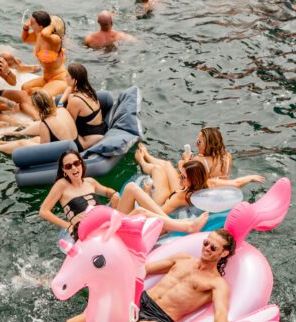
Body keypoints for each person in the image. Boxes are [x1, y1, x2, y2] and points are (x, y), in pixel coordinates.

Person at [66, 228, 237, 322]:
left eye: (213, 247)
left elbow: (221, 311)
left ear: (224, 253)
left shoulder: (217, 284)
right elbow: (144, 269)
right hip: (139, 300)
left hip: (159, 318)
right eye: (206, 243)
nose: (206, 248)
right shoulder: (183, 259)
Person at [39, 150, 209, 234]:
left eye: (76, 163)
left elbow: (107, 191)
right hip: (91, 232)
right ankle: (186, 226)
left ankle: (185, 225)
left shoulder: (89, 182)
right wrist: (68, 226)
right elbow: (44, 211)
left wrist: (112, 195)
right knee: (141, 210)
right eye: (69, 166)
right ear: (64, 170)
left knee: (131, 189)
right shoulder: (62, 185)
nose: (74, 168)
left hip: (105, 222)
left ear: (81, 164)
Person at [135, 147, 265, 214]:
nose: (179, 177)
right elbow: (236, 184)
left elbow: (158, 214)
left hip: (163, 200)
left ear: (193, 180)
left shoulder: (180, 197)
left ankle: (141, 160)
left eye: (183, 177)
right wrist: (250, 177)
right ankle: (147, 156)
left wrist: (146, 194)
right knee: (168, 165)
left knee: (158, 169)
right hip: (181, 188)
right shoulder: (209, 183)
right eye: (181, 174)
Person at [0, 89, 75, 153]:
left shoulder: (45, 123)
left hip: (65, 153)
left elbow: (45, 150)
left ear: (37, 107)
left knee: (22, 144)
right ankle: (5, 143)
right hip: (74, 146)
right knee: (36, 139)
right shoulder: (62, 110)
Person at [59, 63, 106, 151]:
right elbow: (69, 89)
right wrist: (61, 103)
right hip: (100, 129)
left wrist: (59, 107)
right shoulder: (89, 90)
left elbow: (67, 124)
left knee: (55, 127)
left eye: (67, 76)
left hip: (86, 141)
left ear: (75, 81)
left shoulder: (75, 100)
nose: (65, 78)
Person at [21, 11, 67, 98]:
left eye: (32, 23)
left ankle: (55, 90)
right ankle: (46, 89)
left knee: (40, 96)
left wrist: (52, 24)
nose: (30, 24)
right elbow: (25, 39)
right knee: (24, 88)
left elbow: (45, 33)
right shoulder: (38, 35)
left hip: (59, 78)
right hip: (46, 77)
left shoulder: (55, 40)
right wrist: (25, 28)